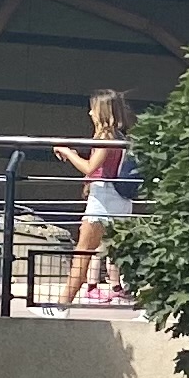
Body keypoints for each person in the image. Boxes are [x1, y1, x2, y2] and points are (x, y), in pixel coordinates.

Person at [51, 89, 139, 308]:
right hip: (118, 200)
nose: (90, 113)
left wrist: (69, 152)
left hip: (102, 200)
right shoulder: (121, 136)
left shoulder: (106, 135)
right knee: (117, 253)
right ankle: (64, 304)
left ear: (101, 111)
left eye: (92, 108)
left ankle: (62, 306)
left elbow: (91, 168)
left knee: (82, 255)